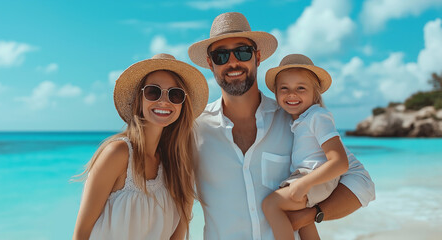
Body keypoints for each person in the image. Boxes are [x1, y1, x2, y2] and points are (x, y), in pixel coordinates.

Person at [188, 12, 375, 240]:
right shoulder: (193, 130)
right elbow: (173, 201)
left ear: (257, 57)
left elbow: (360, 181)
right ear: (210, 63)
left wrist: (310, 215)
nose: (233, 62)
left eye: (243, 52)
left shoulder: (296, 120)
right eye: (221, 55)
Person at [72, 53, 209, 240]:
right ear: (140, 98)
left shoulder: (181, 167)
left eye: (175, 94)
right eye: (153, 91)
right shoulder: (117, 154)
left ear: (182, 104)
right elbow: (81, 234)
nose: (164, 101)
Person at [262, 54, 350, 240]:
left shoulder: (317, 116)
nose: (291, 94)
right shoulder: (300, 120)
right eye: (284, 88)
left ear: (315, 93)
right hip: (306, 178)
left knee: (270, 205)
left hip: (315, 179)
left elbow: (340, 163)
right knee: (301, 222)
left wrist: (305, 183)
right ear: (276, 93)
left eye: (300, 88)